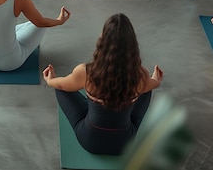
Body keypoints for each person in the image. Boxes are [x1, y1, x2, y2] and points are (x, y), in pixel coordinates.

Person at [43, 13, 163, 155]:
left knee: (59, 87)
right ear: (132, 44)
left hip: (90, 141)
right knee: (146, 89)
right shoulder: (140, 74)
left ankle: (96, 105)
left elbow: (62, 85)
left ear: (102, 41)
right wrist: (155, 79)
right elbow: (153, 84)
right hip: (124, 144)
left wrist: (50, 80)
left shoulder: (86, 71)